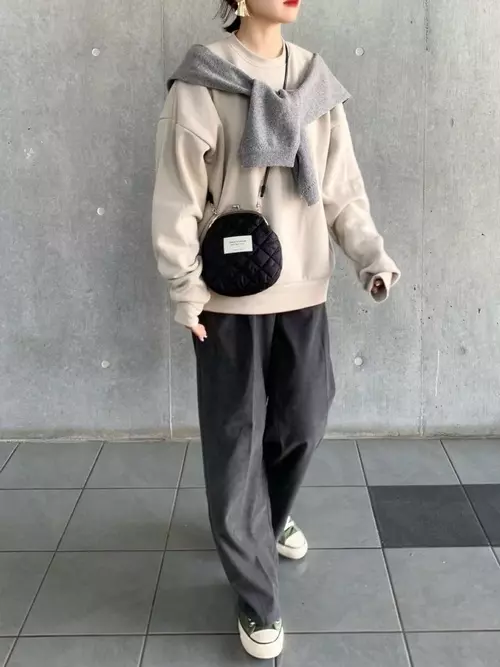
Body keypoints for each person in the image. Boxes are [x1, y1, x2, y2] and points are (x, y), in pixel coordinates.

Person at [152, 0, 400, 659]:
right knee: (235, 444)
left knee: (305, 420)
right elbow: (178, 197)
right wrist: (186, 289)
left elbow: (343, 189)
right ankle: (256, 596)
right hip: (228, 299)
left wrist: (370, 256)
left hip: (303, 290)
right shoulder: (202, 80)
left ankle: (269, 515)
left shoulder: (315, 80)